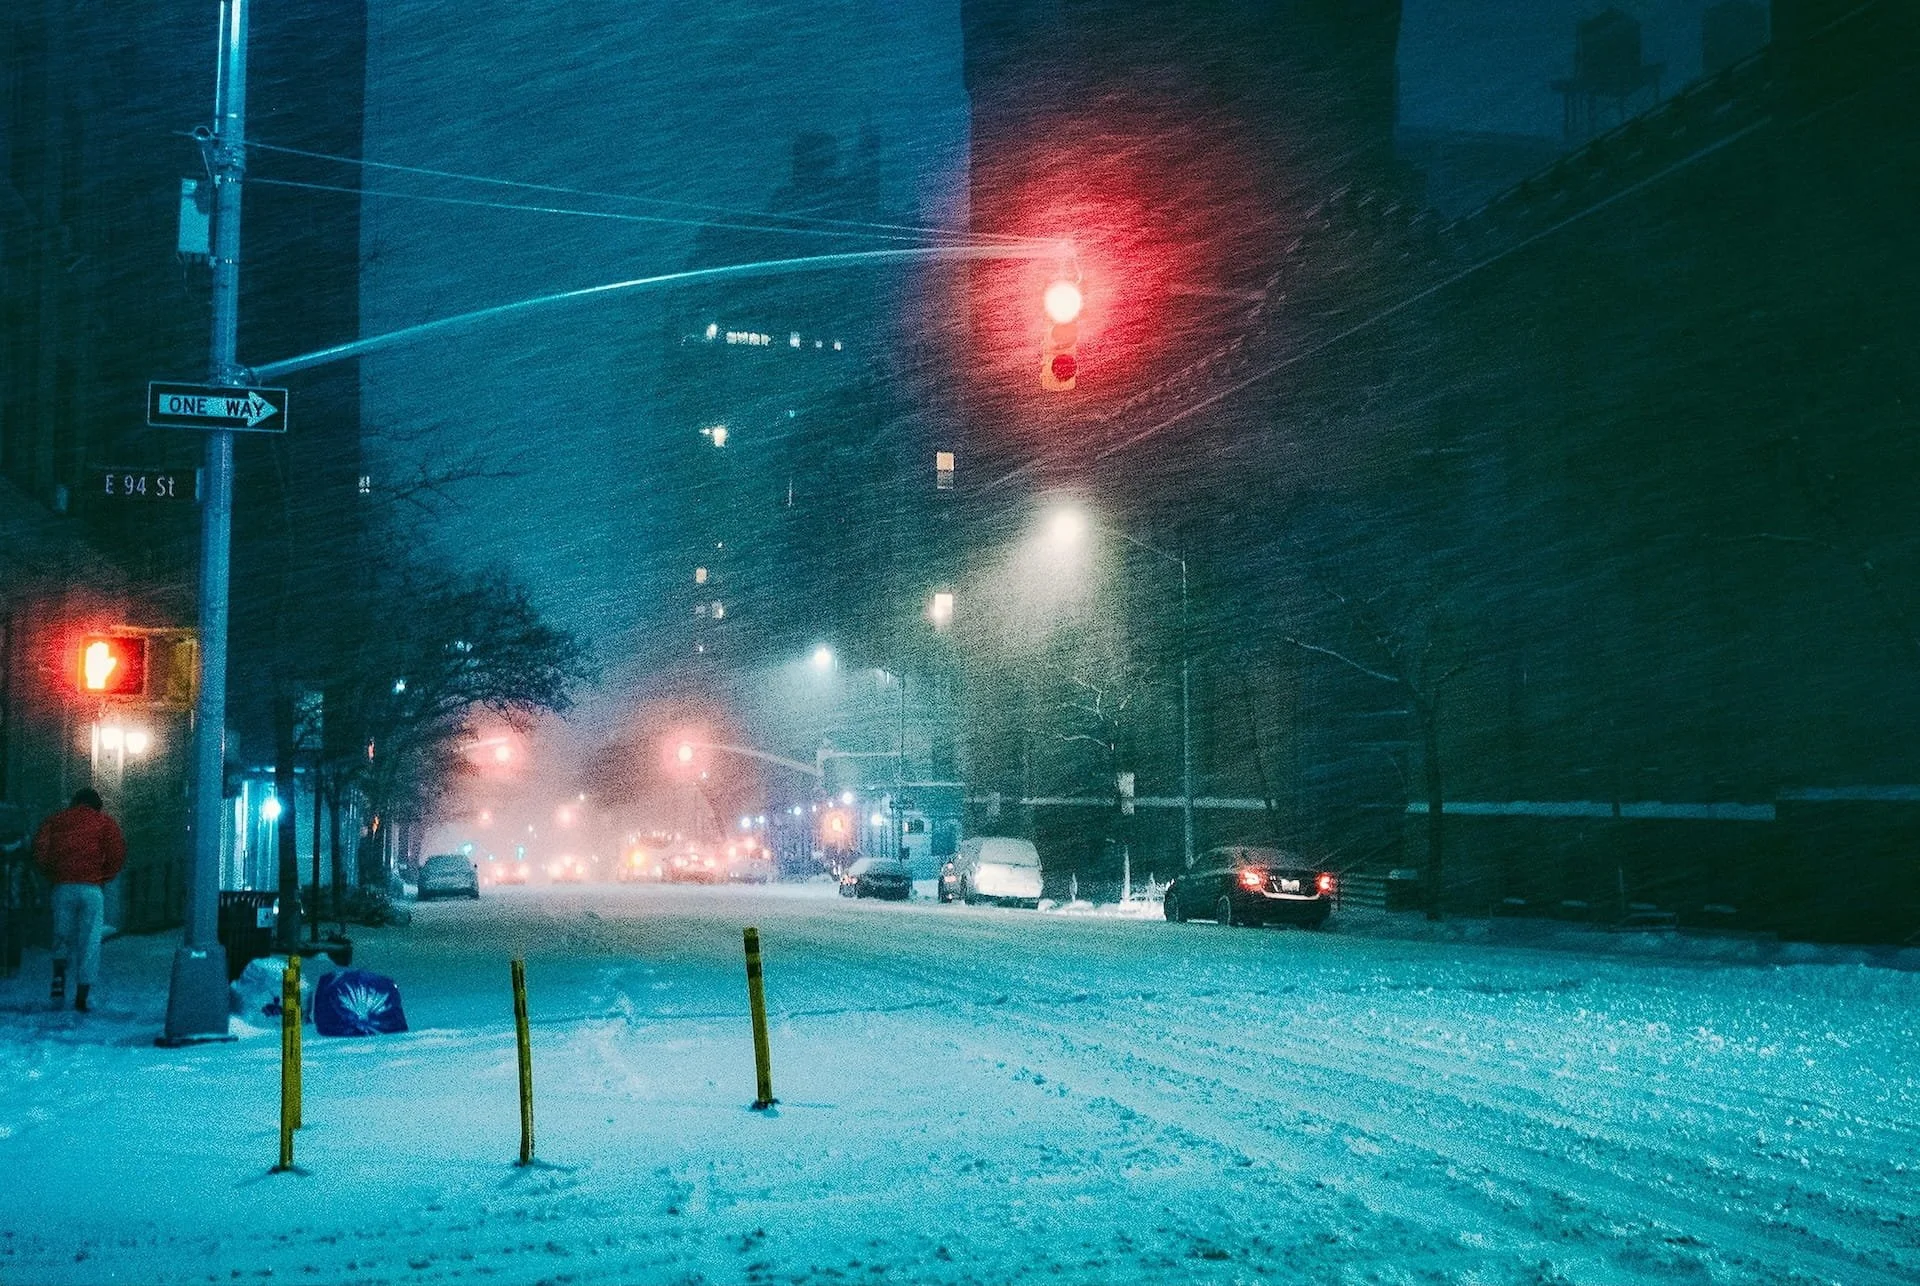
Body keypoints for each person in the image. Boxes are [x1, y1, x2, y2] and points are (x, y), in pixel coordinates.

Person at [32, 788, 126, 1012]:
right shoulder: (105, 822)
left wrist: (52, 874)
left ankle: (58, 977)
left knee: (61, 933)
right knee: (90, 940)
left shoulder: (56, 820)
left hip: (63, 886)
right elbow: (117, 853)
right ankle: (82, 995)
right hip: (91, 888)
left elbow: (40, 850)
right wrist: (103, 877)